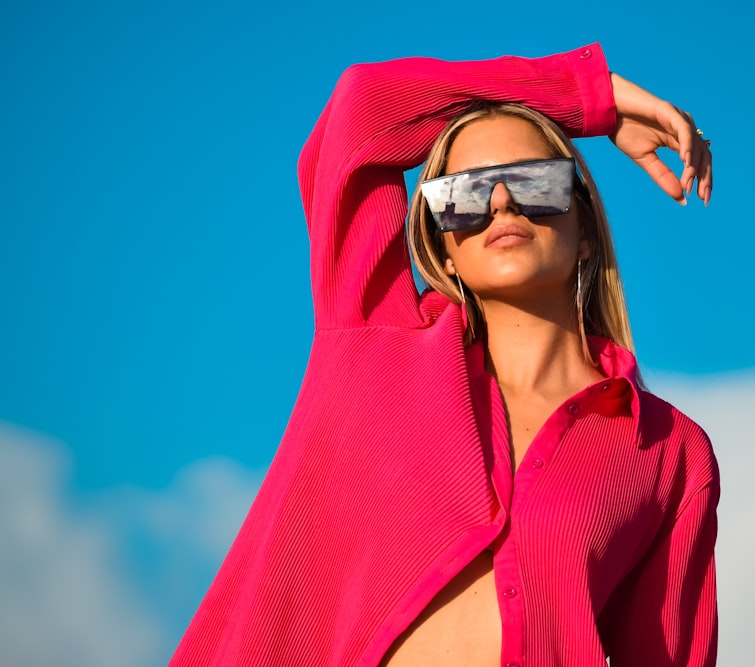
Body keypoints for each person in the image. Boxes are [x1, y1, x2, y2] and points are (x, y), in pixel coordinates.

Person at [170, 44, 719, 667]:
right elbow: (363, 107)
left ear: (586, 231)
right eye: (465, 195)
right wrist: (589, 98)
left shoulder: (669, 450)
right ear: (444, 247)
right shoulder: (376, 342)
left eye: (536, 182)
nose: (503, 206)